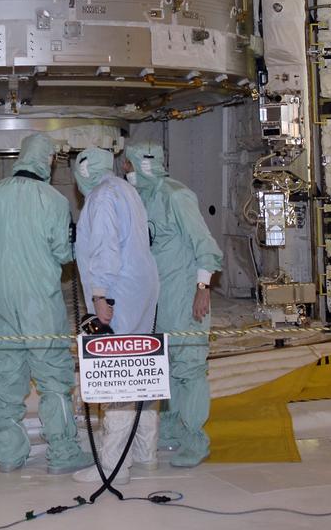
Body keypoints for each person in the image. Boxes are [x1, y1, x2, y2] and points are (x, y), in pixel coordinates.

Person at [0, 134, 90, 475]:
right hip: (39, 302)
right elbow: (63, 254)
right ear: (49, 161)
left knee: (7, 373)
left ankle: (9, 454)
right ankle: (63, 453)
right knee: (53, 377)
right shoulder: (52, 200)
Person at [123, 142, 222, 468]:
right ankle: (170, 428)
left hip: (184, 298)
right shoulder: (143, 196)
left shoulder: (178, 196)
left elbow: (204, 244)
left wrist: (202, 287)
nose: (130, 170)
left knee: (189, 369)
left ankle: (194, 439)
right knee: (164, 368)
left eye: (133, 165)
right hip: (158, 301)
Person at [69, 147, 160, 484]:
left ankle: (114, 466)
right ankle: (144, 453)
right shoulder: (125, 189)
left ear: (84, 170)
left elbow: (106, 247)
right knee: (139, 370)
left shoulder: (102, 196)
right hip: (140, 288)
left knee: (117, 376)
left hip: (119, 292)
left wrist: (99, 294)